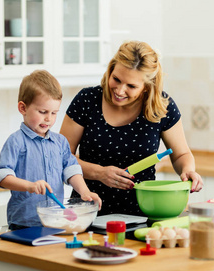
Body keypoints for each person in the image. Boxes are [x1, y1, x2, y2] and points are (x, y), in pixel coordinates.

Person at [60, 41, 203, 216]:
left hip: (145, 213)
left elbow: (181, 155)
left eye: (131, 86)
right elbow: (62, 158)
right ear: (111, 70)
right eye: (116, 79)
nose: (120, 91)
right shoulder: (87, 100)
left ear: (146, 87)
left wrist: (188, 171)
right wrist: (100, 173)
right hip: (88, 213)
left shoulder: (161, 107)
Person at [0, 70, 102, 230]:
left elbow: (71, 170)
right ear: (23, 108)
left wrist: (84, 192)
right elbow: (1, 177)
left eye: (54, 113)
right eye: (42, 112)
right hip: (24, 223)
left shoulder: (60, 142)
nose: (48, 118)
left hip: (55, 222)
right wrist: (29, 186)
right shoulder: (16, 142)